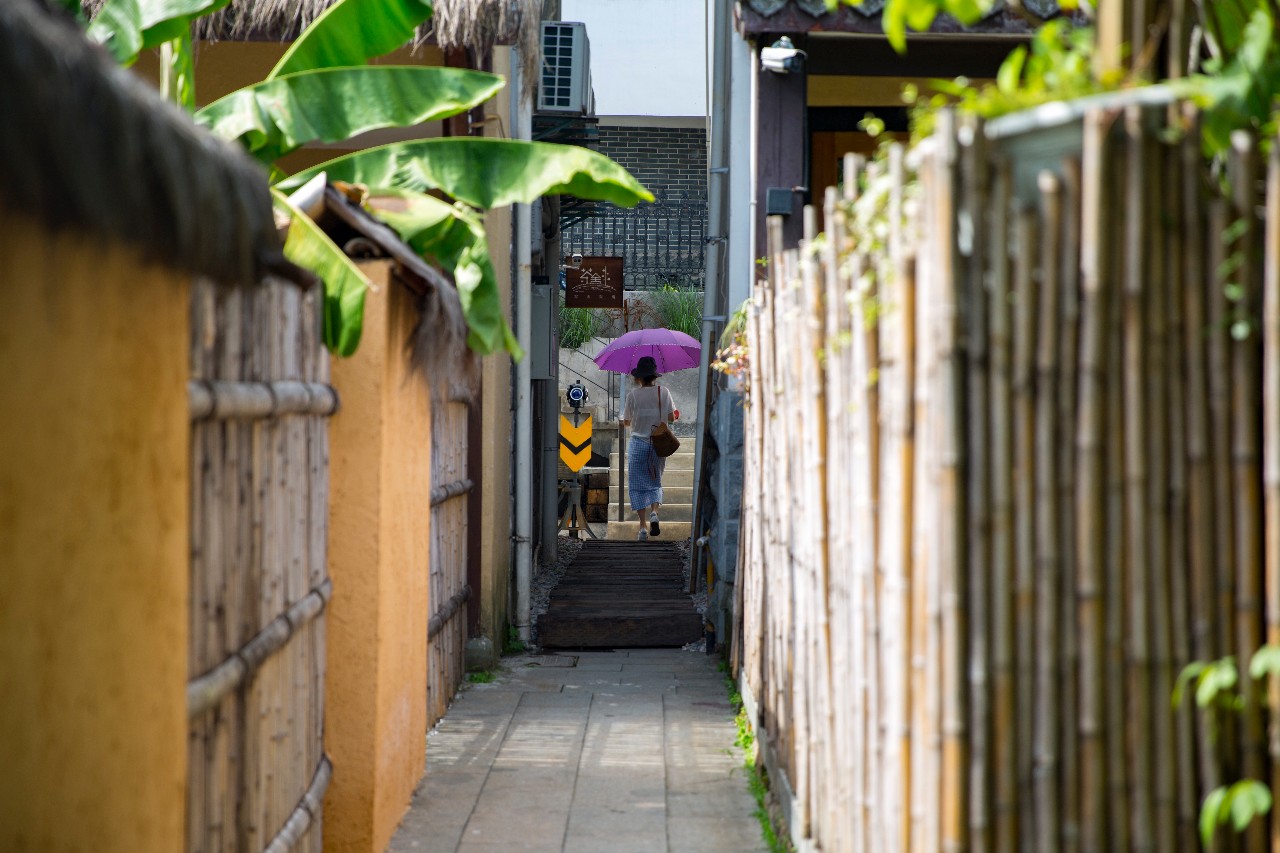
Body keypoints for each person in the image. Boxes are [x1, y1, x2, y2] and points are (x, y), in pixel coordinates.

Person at [620, 355, 679, 541]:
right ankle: (654, 512)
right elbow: (671, 418)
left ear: (639, 377)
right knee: (655, 481)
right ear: (655, 377)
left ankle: (643, 527)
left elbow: (627, 422)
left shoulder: (632, 396)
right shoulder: (664, 392)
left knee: (637, 485)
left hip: (638, 444)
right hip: (658, 444)